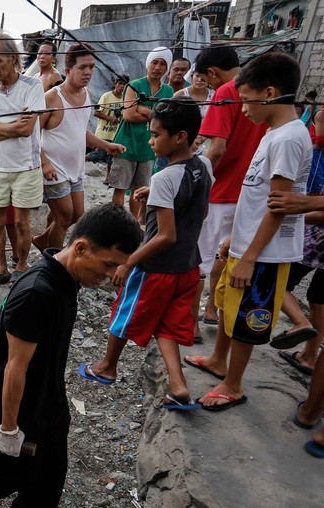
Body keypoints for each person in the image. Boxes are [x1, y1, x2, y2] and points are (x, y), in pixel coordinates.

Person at [0, 203, 142, 508]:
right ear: (81, 247)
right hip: (15, 399)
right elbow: (14, 367)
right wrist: (8, 428)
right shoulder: (39, 291)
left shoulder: (66, 276)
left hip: (44, 389)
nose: (113, 274)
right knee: (8, 464)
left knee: (51, 462)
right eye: (109, 265)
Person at [184, 52, 312, 411]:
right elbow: (254, 194)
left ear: (269, 93)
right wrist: (234, 239)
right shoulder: (273, 133)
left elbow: (278, 206)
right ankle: (218, 361)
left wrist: (250, 257)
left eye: (246, 100)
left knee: (247, 317)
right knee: (227, 302)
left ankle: (234, 383)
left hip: (265, 253)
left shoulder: (287, 138)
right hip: (247, 243)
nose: (242, 109)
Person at [80, 98, 212, 409]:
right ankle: (178, 385)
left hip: (156, 268)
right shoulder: (203, 166)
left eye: (155, 135)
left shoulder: (164, 177)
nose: (150, 140)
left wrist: (130, 262)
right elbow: (199, 210)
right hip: (188, 266)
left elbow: (165, 236)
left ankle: (107, 367)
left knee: (123, 316)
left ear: (179, 136)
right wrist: (157, 195)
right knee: (165, 326)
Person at [191, 46, 269, 335]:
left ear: (212, 72)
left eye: (207, 78)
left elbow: (218, 149)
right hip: (251, 193)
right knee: (228, 254)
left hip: (221, 190)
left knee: (200, 257)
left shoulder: (226, 91)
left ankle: (193, 324)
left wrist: (196, 179)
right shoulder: (263, 92)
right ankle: (213, 309)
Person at [36, 43, 126, 251]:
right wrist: (45, 163)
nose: (88, 72)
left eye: (91, 67)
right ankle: (53, 263)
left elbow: (80, 131)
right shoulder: (52, 98)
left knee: (77, 215)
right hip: (53, 169)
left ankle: (41, 240)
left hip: (75, 168)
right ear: (68, 70)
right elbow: (32, 135)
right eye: (82, 67)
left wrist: (106, 144)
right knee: (64, 217)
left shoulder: (87, 95)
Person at [0, 32, 46, 292]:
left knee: (21, 222)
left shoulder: (32, 86)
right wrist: (9, 126)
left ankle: (21, 266)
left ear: (12, 58)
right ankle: (1, 269)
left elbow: (26, 130)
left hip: (25, 167)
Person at [269, 188, 324, 458]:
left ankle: (310, 413)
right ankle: (309, 354)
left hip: (315, 240)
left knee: (279, 282)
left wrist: (304, 205)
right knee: (317, 295)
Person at [110, 47, 174, 221]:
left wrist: (142, 109)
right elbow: (128, 115)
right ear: (148, 64)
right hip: (126, 145)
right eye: (154, 62)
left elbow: (166, 118)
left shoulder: (168, 92)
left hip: (149, 148)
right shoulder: (135, 85)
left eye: (162, 64)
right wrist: (154, 114)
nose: (158, 67)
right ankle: (116, 223)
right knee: (120, 188)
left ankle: (132, 224)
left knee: (139, 191)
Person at [89, 74, 129, 184]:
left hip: (116, 133)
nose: (122, 86)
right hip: (103, 133)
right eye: (120, 83)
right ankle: (78, 160)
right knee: (97, 155)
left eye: (125, 84)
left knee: (111, 158)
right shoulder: (106, 96)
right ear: (115, 84)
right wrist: (109, 118)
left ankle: (108, 178)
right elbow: (96, 112)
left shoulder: (126, 99)